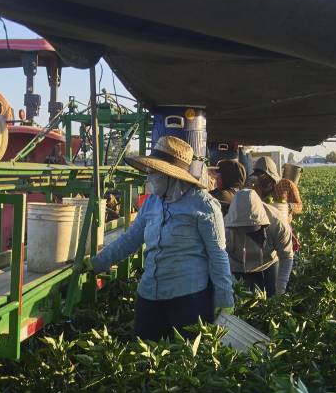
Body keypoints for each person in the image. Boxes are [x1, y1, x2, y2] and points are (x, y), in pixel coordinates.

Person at [91, 135, 233, 341]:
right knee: (145, 357)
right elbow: (130, 239)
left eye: (153, 172)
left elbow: (218, 255)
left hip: (189, 300)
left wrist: (224, 298)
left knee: (185, 364)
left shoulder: (204, 206)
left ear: (170, 175)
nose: (149, 178)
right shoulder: (151, 203)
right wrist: (98, 262)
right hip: (149, 296)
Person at [224, 189, 293, 295]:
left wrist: (281, 288)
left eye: (253, 229)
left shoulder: (278, 223)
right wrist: (230, 280)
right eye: (244, 229)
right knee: (244, 303)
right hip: (238, 265)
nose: (249, 234)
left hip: (268, 263)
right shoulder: (225, 228)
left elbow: (286, 256)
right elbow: (221, 257)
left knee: (273, 297)